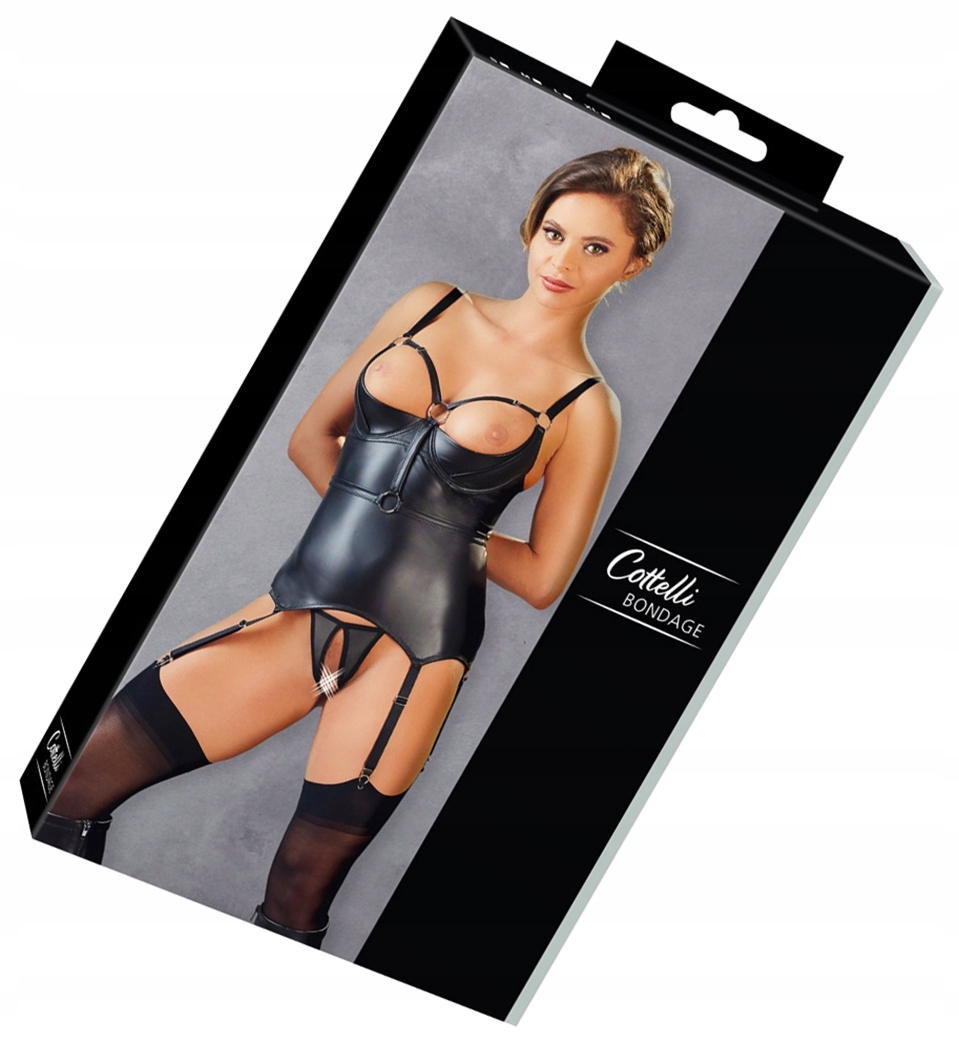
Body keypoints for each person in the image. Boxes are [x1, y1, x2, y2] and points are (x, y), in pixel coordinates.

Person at [37, 146, 674, 949]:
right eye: (554, 233)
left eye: (594, 247)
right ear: (531, 227)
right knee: (71, 781)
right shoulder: (430, 307)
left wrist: (449, 537)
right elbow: (312, 439)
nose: (562, 261)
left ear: (632, 264)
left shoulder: (587, 408)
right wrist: (376, 521)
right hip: (301, 603)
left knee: (297, 896)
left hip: (414, 655)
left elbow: (546, 577)